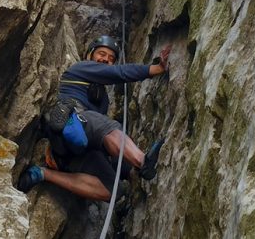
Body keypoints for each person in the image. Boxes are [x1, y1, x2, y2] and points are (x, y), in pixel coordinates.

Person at [17, 35, 171, 201]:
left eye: (111, 59)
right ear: (89, 55)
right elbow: (118, 73)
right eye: (101, 54)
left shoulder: (103, 100)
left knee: (114, 191)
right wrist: (156, 69)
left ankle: (42, 173)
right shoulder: (80, 69)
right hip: (68, 125)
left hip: (77, 153)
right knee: (107, 126)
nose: (106, 60)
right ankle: (142, 162)